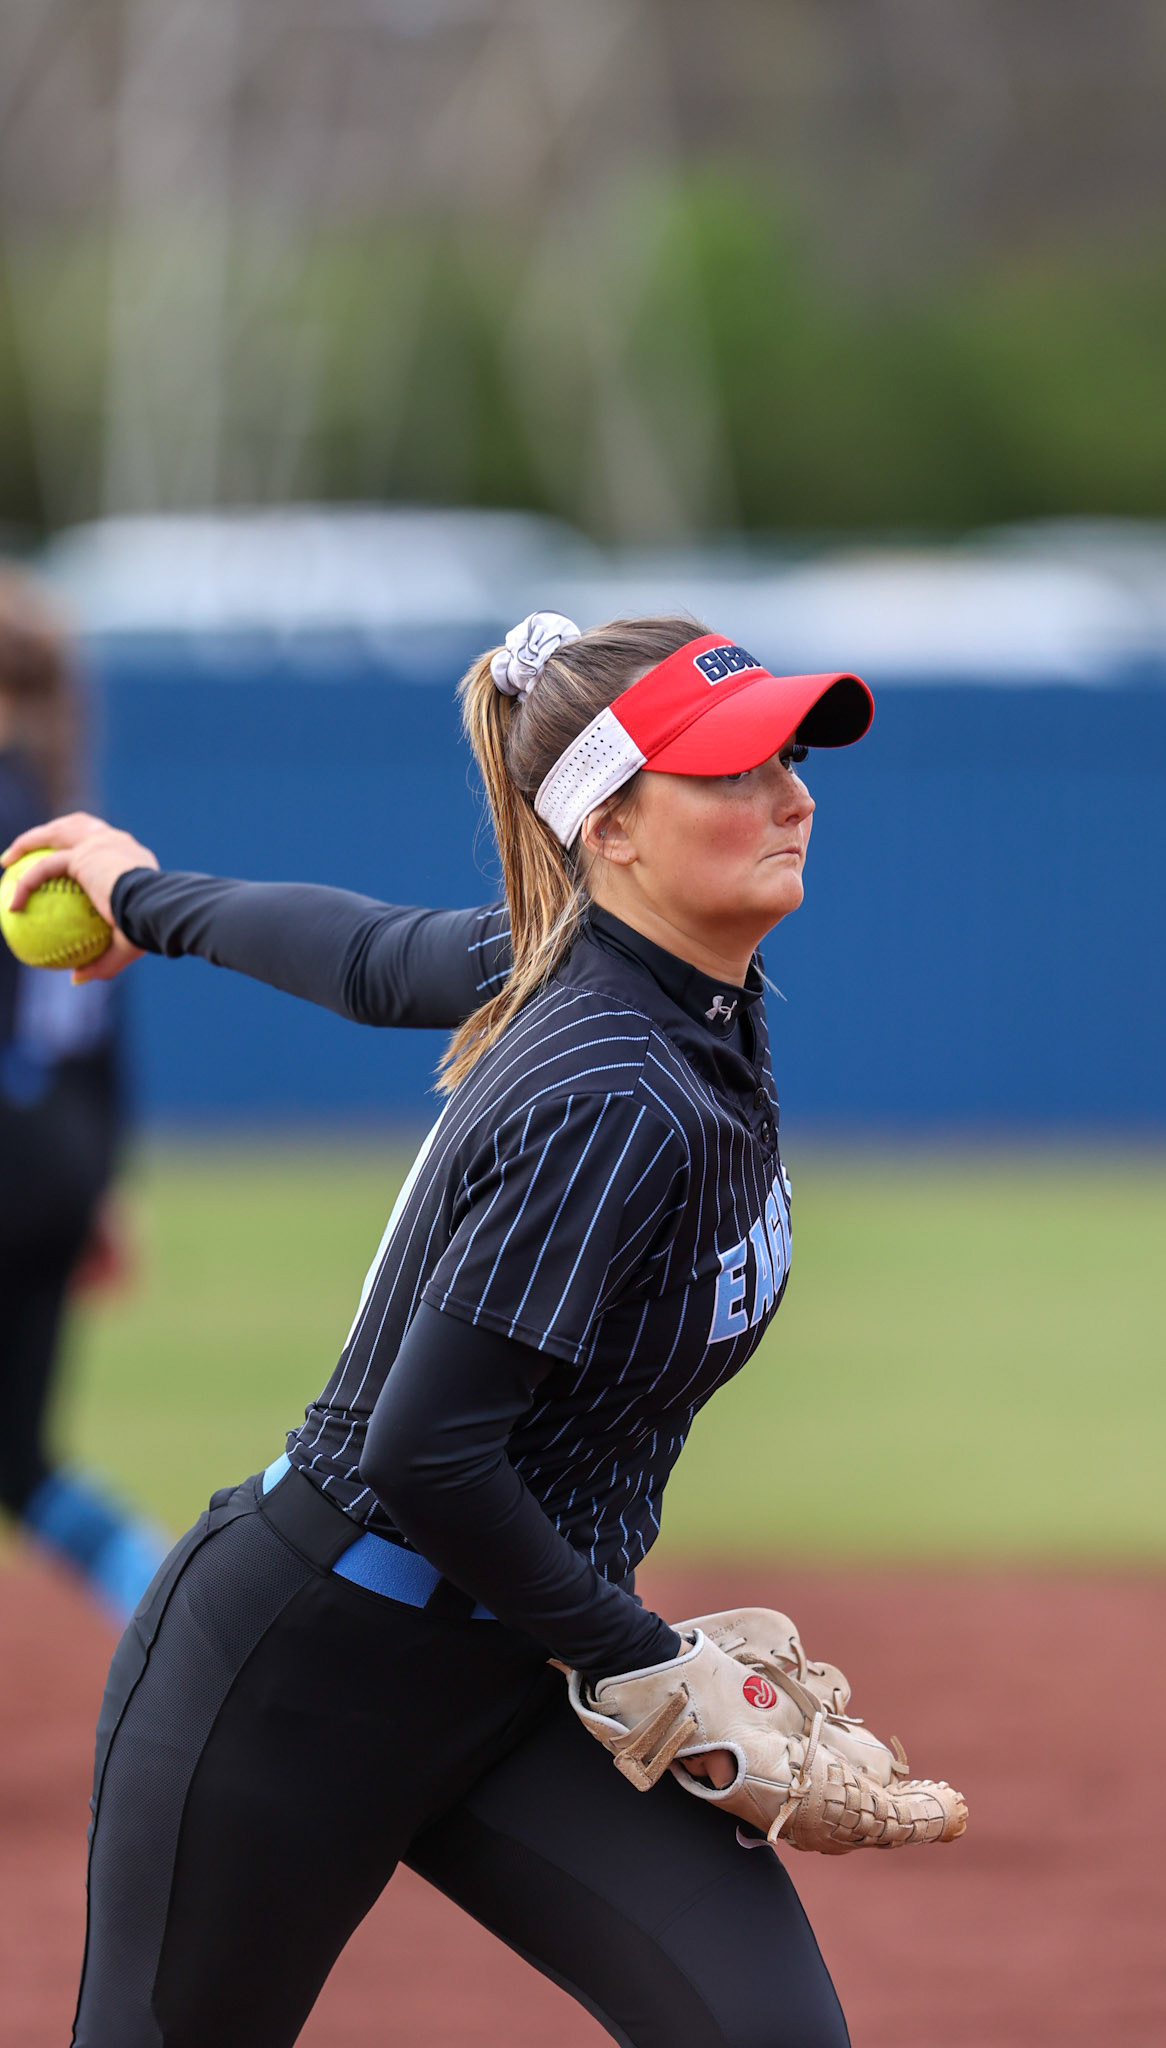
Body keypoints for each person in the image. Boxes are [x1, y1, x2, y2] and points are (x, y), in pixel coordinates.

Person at [4, 611, 875, 2048]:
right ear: (610, 828)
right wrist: (643, 1657)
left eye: (787, 755)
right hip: (298, 1678)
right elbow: (426, 1453)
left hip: (511, 1666)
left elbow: (369, 957)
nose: (792, 794)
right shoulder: (612, 1087)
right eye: (730, 770)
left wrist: (145, 896)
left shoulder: (643, 983)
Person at [0, 569, 165, 1624]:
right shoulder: (64, 816)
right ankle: (173, 1603)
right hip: (57, 1156)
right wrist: (96, 1179)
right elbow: (101, 1038)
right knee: (17, 1454)